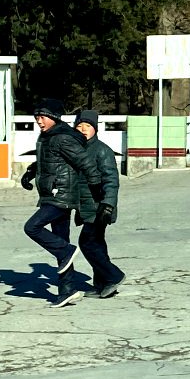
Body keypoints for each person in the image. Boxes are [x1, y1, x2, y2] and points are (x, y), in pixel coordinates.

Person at [20, 100, 104, 307]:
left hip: (61, 196)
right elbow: (47, 161)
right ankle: (67, 290)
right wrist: (30, 172)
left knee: (32, 227)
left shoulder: (63, 138)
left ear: (54, 117)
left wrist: (96, 189)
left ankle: (66, 252)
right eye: (36, 118)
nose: (39, 121)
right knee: (60, 241)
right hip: (52, 194)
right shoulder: (47, 137)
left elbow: (85, 162)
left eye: (43, 117)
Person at [73, 110, 125, 298]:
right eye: (79, 126)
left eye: (87, 126)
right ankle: (103, 285)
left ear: (95, 129)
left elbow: (111, 180)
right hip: (87, 206)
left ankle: (114, 275)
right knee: (98, 245)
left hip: (100, 207)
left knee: (87, 243)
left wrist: (108, 205)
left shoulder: (102, 150)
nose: (83, 129)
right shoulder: (76, 149)